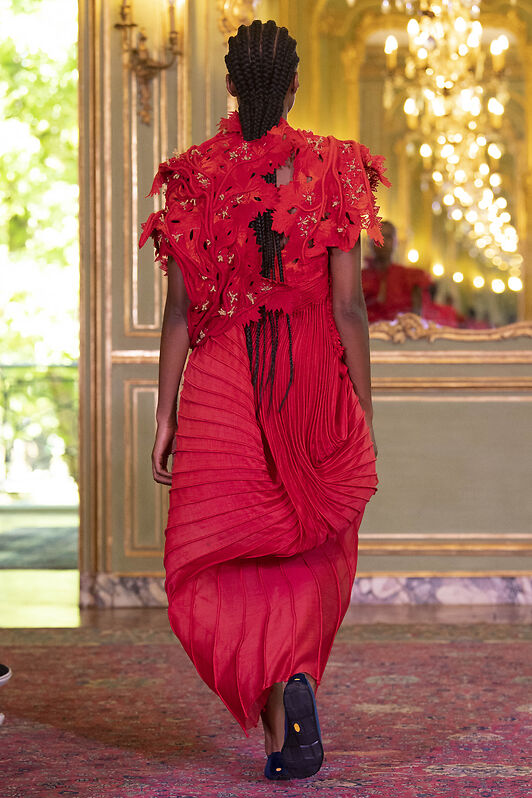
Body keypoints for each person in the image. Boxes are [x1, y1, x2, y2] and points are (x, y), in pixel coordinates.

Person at [139, 19, 390, 781]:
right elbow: (350, 309)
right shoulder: (338, 167)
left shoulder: (189, 176)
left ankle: (284, 717)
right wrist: (364, 409)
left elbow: (180, 313)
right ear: (295, 86)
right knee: (309, 545)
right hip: (311, 370)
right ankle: (297, 688)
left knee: (218, 560)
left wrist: (165, 411)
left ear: (227, 85)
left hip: (223, 382)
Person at [362, 220, 432, 321]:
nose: (382, 240)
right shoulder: (359, 278)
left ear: (396, 242)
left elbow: (417, 316)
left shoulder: (410, 278)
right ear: (369, 241)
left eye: (388, 236)